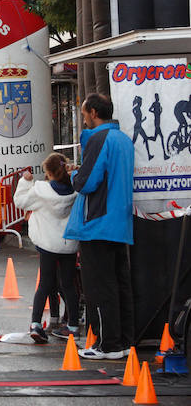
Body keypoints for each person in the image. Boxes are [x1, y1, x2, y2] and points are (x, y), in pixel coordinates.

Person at [64, 93, 134, 360]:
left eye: (84, 114)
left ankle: (107, 344)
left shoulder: (98, 139)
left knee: (99, 287)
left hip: (97, 222)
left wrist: (73, 174)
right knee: (119, 284)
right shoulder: (124, 139)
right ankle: (124, 341)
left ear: (93, 112)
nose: (84, 119)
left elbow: (87, 182)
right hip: (119, 221)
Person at [13, 153, 79, 344]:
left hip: (47, 243)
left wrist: (25, 183)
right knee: (68, 284)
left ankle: (36, 324)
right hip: (68, 243)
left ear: (49, 173)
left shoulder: (41, 191)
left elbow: (20, 201)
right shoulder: (75, 190)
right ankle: (73, 325)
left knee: (45, 284)